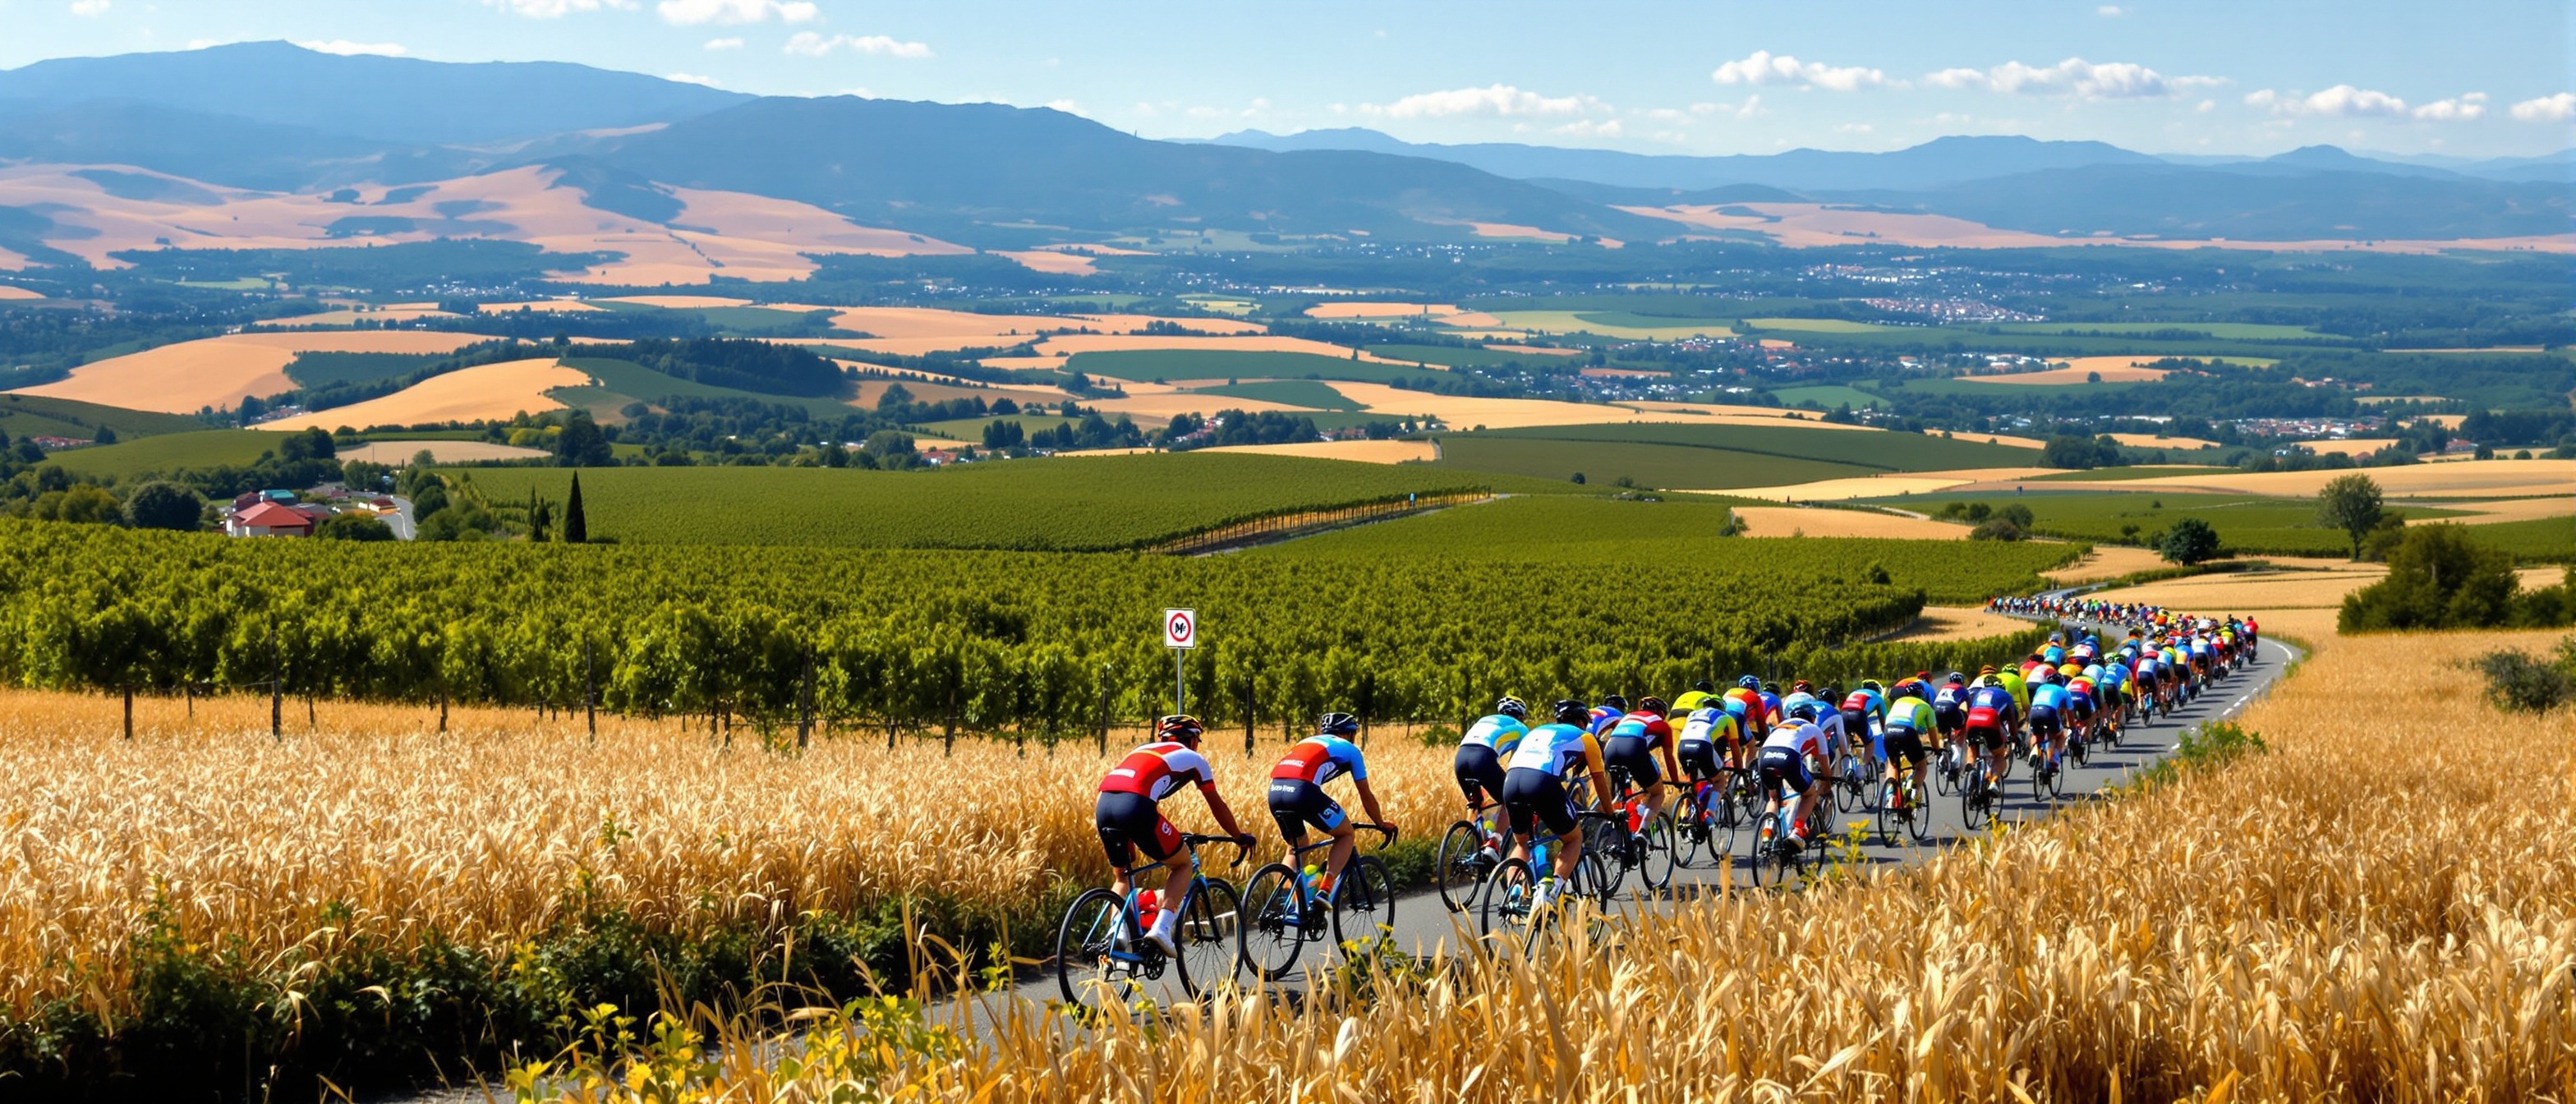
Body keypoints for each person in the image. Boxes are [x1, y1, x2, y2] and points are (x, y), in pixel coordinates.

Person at [1096, 715, 1256, 954]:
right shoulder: (1195, 759)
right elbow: (1216, 805)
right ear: (1191, 740)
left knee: (1123, 876)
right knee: (1183, 864)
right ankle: (1161, 929)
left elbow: (1141, 790)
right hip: (1136, 807)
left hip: (1103, 805)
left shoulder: (1141, 750)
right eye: (1197, 740)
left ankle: (1117, 931)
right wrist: (1238, 836)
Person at [1269, 711, 1394, 909]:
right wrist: (1380, 823)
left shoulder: (1306, 741)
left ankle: (1282, 900)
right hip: (1302, 792)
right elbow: (1366, 795)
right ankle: (1325, 890)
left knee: (1296, 846)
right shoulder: (1350, 749)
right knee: (1346, 833)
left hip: (1275, 791)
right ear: (1349, 734)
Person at [1502, 699, 1612, 911]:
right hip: (1540, 782)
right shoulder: (1587, 738)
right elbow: (1599, 780)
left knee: (1522, 844)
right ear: (1580, 722)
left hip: (1511, 782)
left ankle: (1514, 895)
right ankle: (1552, 894)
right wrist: (1610, 813)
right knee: (1574, 839)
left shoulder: (1539, 731)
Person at [1757, 701, 1836, 849]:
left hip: (1764, 756)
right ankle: (1798, 831)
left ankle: (1767, 831)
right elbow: (1825, 764)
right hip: (1788, 756)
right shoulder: (1815, 729)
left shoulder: (1780, 726)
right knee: (1809, 795)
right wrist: (1828, 782)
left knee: (1774, 798)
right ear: (1812, 718)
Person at [1456, 697, 1530, 852]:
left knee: (1475, 802)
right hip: (1482, 759)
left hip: (1460, 759)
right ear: (1521, 716)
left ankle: (1474, 845)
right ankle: (1494, 843)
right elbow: (1517, 765)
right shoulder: (1522, 728)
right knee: (1510, 799)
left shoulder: (1485, 720)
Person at [1603, 694, 1680, 826]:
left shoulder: (1628, 716)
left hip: (1610, 750)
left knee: (1619, 795)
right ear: (1661, 713)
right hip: (1633, 748)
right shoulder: (1662, 724)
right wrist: (1675, 782)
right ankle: (1642, 830)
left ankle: (1611, 826)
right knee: (1658, 794)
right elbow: (1669, 758)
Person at [1881, 680, 1935, 809]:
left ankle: (1890, 796)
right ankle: (1911, 794)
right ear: (1921, 696)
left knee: (1893, 765)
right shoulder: (1925, 706)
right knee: (1921, 767)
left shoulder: (1898, 702)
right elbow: (1932, 733)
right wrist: (1937, 748)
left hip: (1888, 731)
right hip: (1907, 732)